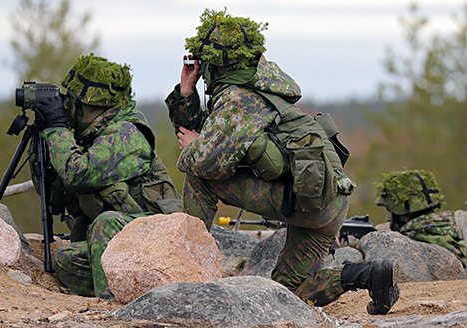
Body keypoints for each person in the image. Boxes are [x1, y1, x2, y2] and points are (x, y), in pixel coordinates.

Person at [165, 9, 399, 315]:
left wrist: (196, 146)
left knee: (199, 179)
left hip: (301, 200)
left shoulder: (238, 100)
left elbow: (205, 164)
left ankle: (189, 273)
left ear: (213, 64)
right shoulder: (263, 89)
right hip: (327, 203)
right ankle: (369, 275)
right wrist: (186, 92)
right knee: (287, 294)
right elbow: (205, 133)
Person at [31, 53, 183, 299]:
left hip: (157, 239)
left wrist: (57, 128)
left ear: (90, 105)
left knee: (106, 222)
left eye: (69, 100)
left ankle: (111, 303)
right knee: (65, 260)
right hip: (125, 244)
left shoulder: (126, 134)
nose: (65, 106)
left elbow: (78, 174)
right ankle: (133, 292)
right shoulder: (89, 137)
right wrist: (44, 142)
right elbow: (54, 200)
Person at [375, 168, 467, 268]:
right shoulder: (449, 227)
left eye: (391, 212)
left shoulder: (411, 243)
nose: (388, 219)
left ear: (404, 214)